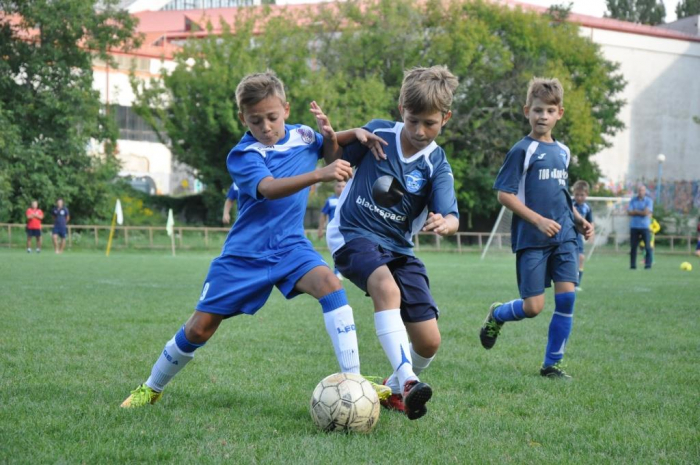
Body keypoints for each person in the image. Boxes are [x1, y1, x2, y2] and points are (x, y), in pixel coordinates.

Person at [121, 71, 389, 408]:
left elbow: (328, 150)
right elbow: (269, 189)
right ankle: (151, 387)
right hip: (245, 255)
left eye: (272, 118)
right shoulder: (244, 154)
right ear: (242, 118)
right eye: (255, 120)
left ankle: (354, 382)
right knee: (200, 328)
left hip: (291, 247)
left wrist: (349, 134)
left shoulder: (304, 135)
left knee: (331, 287)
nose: (266, 127)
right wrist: (319, 175)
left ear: (286, 110)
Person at [327, 66, 460, 420]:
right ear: (402, 107)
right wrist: (336, 135)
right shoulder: (377, 133)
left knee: (429, 341)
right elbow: (333, 157)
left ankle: (392, 388)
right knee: (386, 288)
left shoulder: (436, 164)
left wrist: (444, 223)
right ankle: (409, 381)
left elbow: (451, 214)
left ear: (445, 118)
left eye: (429, 124)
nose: (419, 131)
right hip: (352, 234)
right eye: (413, 120)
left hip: (399, 249)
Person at [479, 77, 593, 380]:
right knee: (533, 307)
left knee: (567, 297)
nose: (543, 116)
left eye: (550, 111)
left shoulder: (564, 152)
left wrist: (578, 220)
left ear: (560, 114)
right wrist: (538, 220)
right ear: (527, 111)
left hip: (565, 237)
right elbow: (505, 194)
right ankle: (497, 315)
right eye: (538, 110)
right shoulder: (522, 150)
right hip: (531, 238)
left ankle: (552, 365)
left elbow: (561, 193)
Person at [317, 180, 346, 279]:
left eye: (343, 186)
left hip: (346, 230)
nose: (341, 188)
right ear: (335, 188)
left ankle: (342, 271)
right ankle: (337, 272)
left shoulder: (348, 198)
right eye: (339, 186)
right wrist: (320, 229)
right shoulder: (330, 200)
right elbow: (323, 215)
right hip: (334, 231)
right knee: (336, 251)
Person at [572, 180, 594, 291]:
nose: (579, 197)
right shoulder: (570, 204)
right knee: (572, 259)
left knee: (581, 258)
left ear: (587, 195)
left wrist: (591, 233)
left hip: (579, 237)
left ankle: (577, 284)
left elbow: (591, 222)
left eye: (582, 195)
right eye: (577, 195)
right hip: (569, 235)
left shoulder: (587, 208)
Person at [628, 184, 653, 269]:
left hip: (645, 227)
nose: (641, 192)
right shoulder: (633, 200)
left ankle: (648, 265)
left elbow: (646, 213)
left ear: (645, 191)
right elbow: (629, 212)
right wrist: (642, 212)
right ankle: (632, 265)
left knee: (647, 247)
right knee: (633, 247)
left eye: (642, 190)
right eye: (639, 190)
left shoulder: (649, 201)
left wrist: (636, 211)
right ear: (637, 191)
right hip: (634, 227)